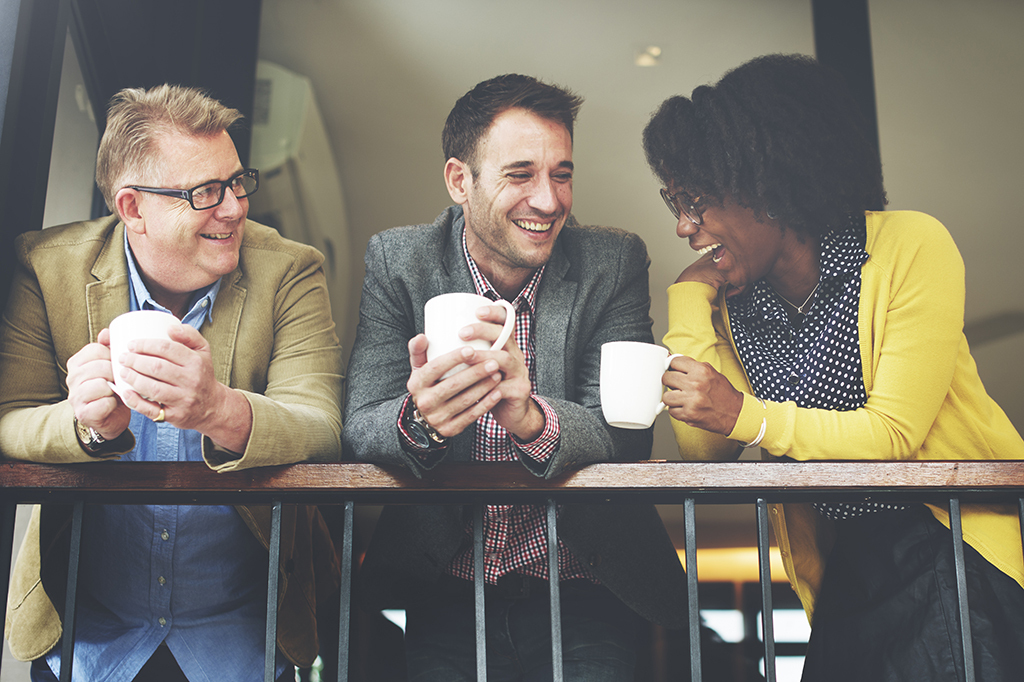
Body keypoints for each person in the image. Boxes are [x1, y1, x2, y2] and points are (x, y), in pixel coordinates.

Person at [643, 53, 1024, 680]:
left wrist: (749, 416)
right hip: (848, 564)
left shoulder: (909, 245)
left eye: (697, 200)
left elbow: (892, 436)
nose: (685, 225)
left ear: (766, 186)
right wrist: (687, 299)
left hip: (949, 551)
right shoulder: (740, 301)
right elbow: (706, 445)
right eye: (674, 201)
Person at [343, 73, 687, 681]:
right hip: (445, 586)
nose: (549, 200)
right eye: (520, 174)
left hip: (585, 585)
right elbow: (361, 423)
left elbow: (627, 435)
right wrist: (418, 419)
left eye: (562, 174)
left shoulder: (614, 260)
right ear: (459, 181)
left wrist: (532, 419)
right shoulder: (399, 260)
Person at [0, 85, 344, 681]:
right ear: (132, 208)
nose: (235, 207)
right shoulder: (45, 266)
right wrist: (84, 423)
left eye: (237, 182)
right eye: (205, 192)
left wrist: (219, 410)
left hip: (243, 641)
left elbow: (322, 426)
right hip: (89, 638)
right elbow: (10, 417)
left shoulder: (292, 270)